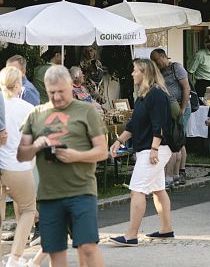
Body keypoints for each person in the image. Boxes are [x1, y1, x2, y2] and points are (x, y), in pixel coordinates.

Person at [17, 64, 108, 267]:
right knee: (55, 253)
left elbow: (102, 151)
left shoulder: (86, 111)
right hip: (49, 196)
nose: (56, 97)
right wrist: (36, 146)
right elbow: (21, 154)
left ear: (70, 86)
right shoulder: (35, 114)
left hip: (81, 191)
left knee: (87, 248)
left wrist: (76, 156)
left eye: (61, 91)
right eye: (51, 92)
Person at [109, 58, 173, 247]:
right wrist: (119, 140)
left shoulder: (157, 95)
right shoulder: (143, 96)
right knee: (158, 190)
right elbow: (134, 125)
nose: (132, 73)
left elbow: (159, 124)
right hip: (151, 148)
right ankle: (166, 229)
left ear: (144, 73)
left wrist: (154, 148)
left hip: (154, 149)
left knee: (137, 190)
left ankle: (131, 235)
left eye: (135, 70)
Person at [0, 66, 35, 267]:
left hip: (1, 164)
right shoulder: (27, 108)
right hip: (18, 166)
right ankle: (15, 257)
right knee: (28, 210)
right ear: (17, 85)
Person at [150, 48, 190, 186]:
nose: (155, 63)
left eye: (156, 60)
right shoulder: (159, 72)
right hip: (169, 108)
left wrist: (183, 109)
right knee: (175, 138)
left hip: (180, 107)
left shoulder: (176, 67)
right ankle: (175, 173)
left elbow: (186, 88)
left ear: (163, 56)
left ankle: (180, 171)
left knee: (178, 138)